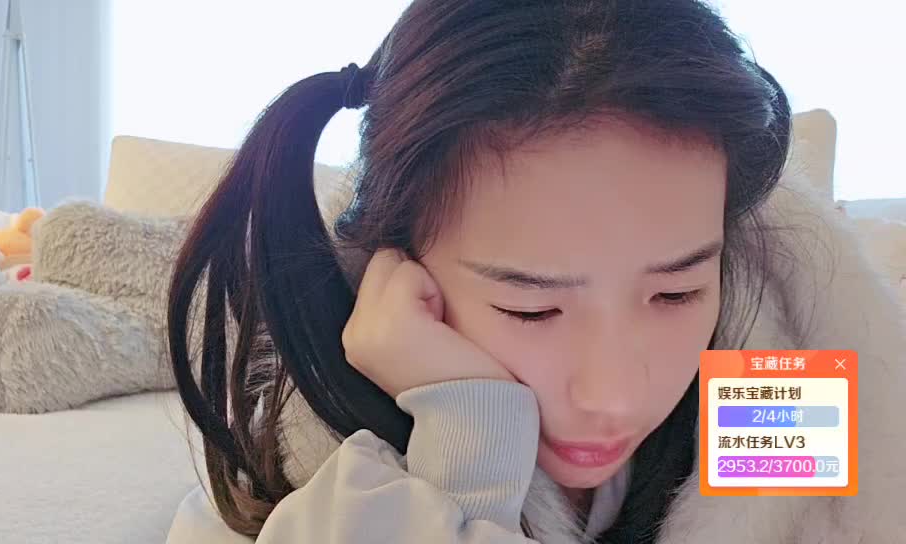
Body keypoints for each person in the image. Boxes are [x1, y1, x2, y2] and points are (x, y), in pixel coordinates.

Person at [164, 1, 906, 542]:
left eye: (677, 293)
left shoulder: (776, 363)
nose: (614, 397)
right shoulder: (284, 499)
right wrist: (468, 441)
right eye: (532, 309)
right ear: (397, 268)